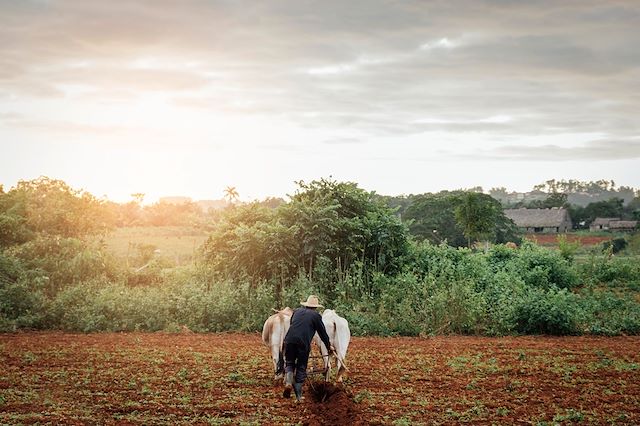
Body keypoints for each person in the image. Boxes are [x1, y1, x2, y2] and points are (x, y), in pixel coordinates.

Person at [282, 295, 333, 402]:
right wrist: (329, 346)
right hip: (302, 344)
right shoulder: (316, 316)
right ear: (316, 307)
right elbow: (322, 333)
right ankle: (299, 397)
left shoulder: (296, 311)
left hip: (289, 341)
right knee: (301, 367)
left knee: (290, 363)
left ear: (306, 305)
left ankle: (288, 383)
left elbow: (293, 324)